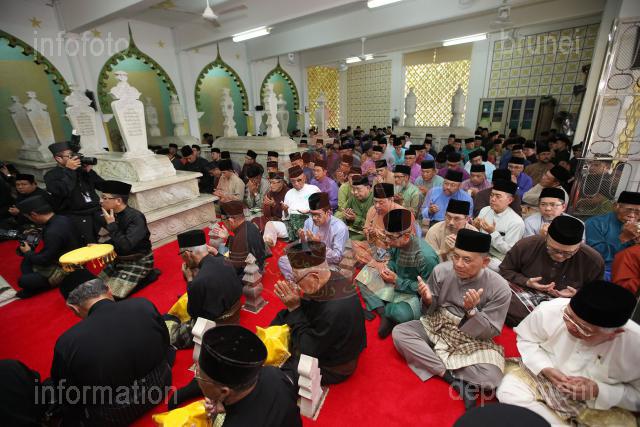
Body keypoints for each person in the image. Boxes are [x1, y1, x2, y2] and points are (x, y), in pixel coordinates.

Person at [392, 229, 511, 410]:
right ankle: (450, 378)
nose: (458, 264)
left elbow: (491, 332)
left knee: (491, 378)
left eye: (467, 260)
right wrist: (428, 300)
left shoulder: (500, 287)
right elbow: (429, 313)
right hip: (438, 324)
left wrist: (472, 312)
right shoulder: (441, 270)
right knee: (400, 333)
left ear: (485, 262)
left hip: (471, 337)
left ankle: (431, 358)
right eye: (456, 256)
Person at [496, 281, 639, 426]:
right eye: (567, 317)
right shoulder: (551, 309)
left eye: (583, 329)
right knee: (508, 392)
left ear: (615, 333)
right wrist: (545, 368)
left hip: (596, 403)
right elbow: (527, 339)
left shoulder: (636, 345)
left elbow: (637, 397)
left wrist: (598, 390)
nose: (570, 326)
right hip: (543, 377)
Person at [51, 278, 173, 425]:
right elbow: (165, 343)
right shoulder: (143, 305)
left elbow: (68, 396)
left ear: (74, 309)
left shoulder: (67, 343)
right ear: (109, 290)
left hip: (114, 415)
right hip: (161, 384)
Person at [271, 241, 366, 384]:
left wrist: (295, 308)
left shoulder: (334, 309)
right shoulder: (331, 276)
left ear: (314, 277)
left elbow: (307, 350)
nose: (296, 285)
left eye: (296, 280)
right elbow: (313, 305)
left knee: (278, 372)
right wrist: (294, 307)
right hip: (325, 332)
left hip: (335, 365)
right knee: (283, 316)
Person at [500, 215, 604, 326]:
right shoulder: (527, 245)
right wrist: (526, 281)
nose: (559, 256)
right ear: (546, 237)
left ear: (579, 245)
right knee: (501, 299)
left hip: (564, 303)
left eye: (568, 253)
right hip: (525, 292)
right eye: (553, 250)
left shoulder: (593, 260)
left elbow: (595, 293)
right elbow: (505, 270)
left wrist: (576, 293)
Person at [195, 325, 302, 426]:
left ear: (224, 391)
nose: (196, 378)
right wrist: (222, 404)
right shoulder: (271, 372)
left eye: (199, 376)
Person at [356, 209, 438, 338]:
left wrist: (396, 281)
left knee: (400, 314)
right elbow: (393, 259)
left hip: (413, 295)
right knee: (363, 277)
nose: (387, 241)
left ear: (406, 236)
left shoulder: (426, 257)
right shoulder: (396, 243)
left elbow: (429, 291)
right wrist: (387, 269)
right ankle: (383, 313)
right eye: (386, 235)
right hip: (395, 283)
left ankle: (388, 308)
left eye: (391, 237)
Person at [167, 230, 242, 348]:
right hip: (235, 314)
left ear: (187, 254)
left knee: (168, 332)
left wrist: (190, 280)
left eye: (181, 255)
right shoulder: (225, 260)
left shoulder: (198, 281)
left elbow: (193, 313)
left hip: (214, 327)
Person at [96, 180, 157, 299]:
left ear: (118, 201)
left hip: (138, 260)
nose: (101, 201)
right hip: (119, 260)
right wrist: (100, 247)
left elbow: (126, 245)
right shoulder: (113, 214)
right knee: (95, 288)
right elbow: (116, 240)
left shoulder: (136, 217)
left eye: (104, 198)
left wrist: (112, 225)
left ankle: (148, 275)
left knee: (110, 296)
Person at [15, 195, 81, 299]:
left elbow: (44, 260)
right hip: (77, 258)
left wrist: (28, 252)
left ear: (34, 214)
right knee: (28, 259)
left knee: (23, 280)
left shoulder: (52, 232)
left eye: (28, 217)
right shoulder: (63, 218)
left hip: (68, 268)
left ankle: (36, 288)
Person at [44, 141, 104, 244]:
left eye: (75, 155)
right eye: (70, 156)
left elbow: (102, 186)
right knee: (91, 245)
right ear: (58, 158)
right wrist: (69, 170)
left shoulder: (81, 170)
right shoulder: (51, 175)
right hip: (75, 215)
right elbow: (62, 191)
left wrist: (89, 172)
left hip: (96, 211)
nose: (75, 158)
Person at [278, 192, 348, 281]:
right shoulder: (308, 222)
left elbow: (337, 258)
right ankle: (303, 281)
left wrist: (318, 245)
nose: (314, 218)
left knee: (330, 273)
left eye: (318, 215)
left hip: (327, 265)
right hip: (311, 260)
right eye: (312, 214)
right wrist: (303, 240)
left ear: (328, 212)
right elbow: (305, 250)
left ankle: (304, 280)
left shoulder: (340, 228)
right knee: (283, 260)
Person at [585, 191, 640, 277]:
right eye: (628, 210)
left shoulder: (638, 226)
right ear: (616, 206)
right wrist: (623, 238)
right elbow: (597, 255)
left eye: (638, 212)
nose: (632, 215)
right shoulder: (595, 223)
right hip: (601, 270)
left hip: (630, 271)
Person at [473, 180, 524, 271]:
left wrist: (492, 233)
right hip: (480, 251)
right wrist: (475, 227)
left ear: (509, 200)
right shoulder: (485, 210)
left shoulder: (516, 222)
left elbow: (509, 251)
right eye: (491, 195)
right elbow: (477, 235)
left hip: (499, 259)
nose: (493, 199)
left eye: (498, 196)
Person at [263, 166, 320, 246]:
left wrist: (309, 211)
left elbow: (321, 210)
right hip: (290, 225)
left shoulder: (313, 189)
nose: (296, 183)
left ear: (304, 177)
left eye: (299, 180)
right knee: (270, 225)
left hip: (308, 223)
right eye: (293, 181)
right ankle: (266, 249)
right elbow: (285, 217)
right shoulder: (289, 193)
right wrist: (285, 210)